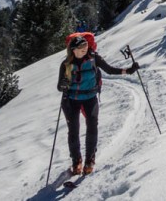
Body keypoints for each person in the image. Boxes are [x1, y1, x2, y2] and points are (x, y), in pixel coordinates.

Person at [56, 36, 138, 175]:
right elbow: (60, 86)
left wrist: (128, 70)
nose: (85, 50)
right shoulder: (67, 64)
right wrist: (63, 85)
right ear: (73, 50)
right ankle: (77, 161)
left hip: (90, 98)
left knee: (92, 127)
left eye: (86, 47)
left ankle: (89, 161)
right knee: (73, 130)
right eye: (81, 49)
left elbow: (110, 70)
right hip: (71, 100)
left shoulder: (94, 58)